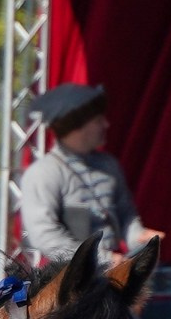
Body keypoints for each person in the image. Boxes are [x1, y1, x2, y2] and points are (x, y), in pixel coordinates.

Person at [16, 83, 157, 265]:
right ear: (77, 126)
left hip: (113, 273)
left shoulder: (108, 165)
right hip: (71, 280)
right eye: (98, 120)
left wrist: (139, 237)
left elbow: (125, 214)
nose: (106, 124)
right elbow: (45, 235)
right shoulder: (43, 173)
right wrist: (100, 259)